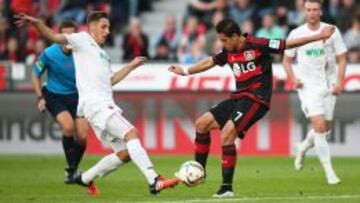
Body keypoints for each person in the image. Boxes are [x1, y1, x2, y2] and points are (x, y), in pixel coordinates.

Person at [169, 18, 335, 198]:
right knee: (201, 124)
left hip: (257, 99)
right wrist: (185, 72)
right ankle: (198, 171)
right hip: (239, 96)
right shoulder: (228, 50)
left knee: (227, 134)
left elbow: (287, 44)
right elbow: (210, 61)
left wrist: (319, 36)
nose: (222, 44)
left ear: (235, 36)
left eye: (224, 40)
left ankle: (226, 188)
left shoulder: (258, 44)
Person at [15, 11, 176, 195]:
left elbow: (111, 80)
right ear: (91, 28)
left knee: (125, 153)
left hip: (98, 108)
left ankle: (84, 178)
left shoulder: (103, 55)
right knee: (132, 134)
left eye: (108, 27)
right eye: (103, 27)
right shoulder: (82, 39)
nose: (107, 31)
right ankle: (154, 180)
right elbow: (52, 35)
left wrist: (131, 66)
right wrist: (35, 22)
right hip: (98, 106)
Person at [282, 0, 347, 185]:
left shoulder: (332, 30)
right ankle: (330, 173)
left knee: (325, 130)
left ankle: (302, 147)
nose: (311, 13)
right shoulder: (297, 33)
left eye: (315, 9)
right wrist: (293, 79)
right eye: (308, 9)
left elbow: (342, 58)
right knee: (319, 127)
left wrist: (339, 82)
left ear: (321, 11)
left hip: (329, 85)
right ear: (304, 12)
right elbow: (286, 60)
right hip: (308, 87)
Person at [31, 21, 88, 184]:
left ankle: (71, 171)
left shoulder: (83, 53)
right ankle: (72, 170)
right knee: (68, 127)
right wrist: (39, 97)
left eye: (71, 36)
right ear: (58, 37)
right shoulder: (49, 53)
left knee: (83, 137)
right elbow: (35, 75)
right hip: (54, 95)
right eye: (64, 36)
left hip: (77, 97)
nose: (67, 40)